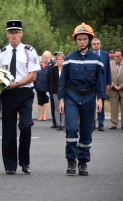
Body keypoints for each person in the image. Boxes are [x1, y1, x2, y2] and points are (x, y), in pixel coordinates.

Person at [0, 20, 41, 175]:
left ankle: (25, 162)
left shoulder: (29, 51)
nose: (14, 36)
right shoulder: (1, 53)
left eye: (16, 32)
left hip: (25, 93)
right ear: (7, 35)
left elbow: (33, 75)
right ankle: (10, 165)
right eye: (11, 33)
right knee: (8, 131)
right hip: (8, 94)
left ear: (21, 34)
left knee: (26, 126)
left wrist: (17, 84)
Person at [58, 22, 105, 176]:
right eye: (79, 39)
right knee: (71, 128)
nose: (82, 41)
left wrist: (100, 99)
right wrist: (61, 100)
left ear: (89, 40)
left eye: (85, 39)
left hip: (90, 98)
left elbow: (100, 81)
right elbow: (63, 81)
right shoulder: (69, 59)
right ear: (76, 40)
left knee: (86, 131)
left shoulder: (96, 60)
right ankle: (71, 161)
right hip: (72, 97)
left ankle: (83, 162)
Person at [91, 38, 111, 131]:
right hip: (90, 82)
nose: (96, 45)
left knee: (101, 102)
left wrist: (108, 83)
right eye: (94, 44)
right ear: (91, 45)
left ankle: (101, 123)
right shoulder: (88, 54)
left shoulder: (105, 55)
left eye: (98, 43)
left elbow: (108, 70)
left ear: (100, 45)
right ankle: (92, 123)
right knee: (91, 102)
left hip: (102, 82)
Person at [34, 51, 52, 121]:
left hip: (47, 86)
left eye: (47, 57)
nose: (45, 58)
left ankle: (44, 116)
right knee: (40, 101)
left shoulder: (50, 66)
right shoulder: (38, 65)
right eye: (44, 57)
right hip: (39, 85)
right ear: (42, 57)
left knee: (46, 101)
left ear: (49, 58)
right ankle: (40, 115)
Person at [50, 52, 65, 131]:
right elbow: (51, 81)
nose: (60, 61)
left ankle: (63, 124)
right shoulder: (53, 69)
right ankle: (58, 124)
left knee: (63, 107)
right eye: (58, 59)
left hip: (64, 91)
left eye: (61, 59)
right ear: (56, 60)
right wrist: (57, 89)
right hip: (55, 91)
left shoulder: (66, 69)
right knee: (56, 108)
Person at [109, 49, 123, 129]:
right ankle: (113, 123)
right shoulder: (110, 64)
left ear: (122, 57)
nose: (116, 58)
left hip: (122, 89)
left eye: (118, 57)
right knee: (113, 108)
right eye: (115, 56)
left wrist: (121, 86)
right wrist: (113, 85)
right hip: (113, 89)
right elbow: (108, 77)